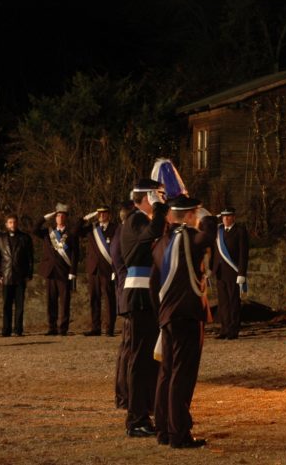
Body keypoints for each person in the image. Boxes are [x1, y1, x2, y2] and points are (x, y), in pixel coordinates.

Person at [149, 195, 217, 449]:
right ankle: (179, 433)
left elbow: (153, 284)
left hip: (167, 315)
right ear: (189, 215)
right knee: (182, 375)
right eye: (195, 213)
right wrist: (207, 217)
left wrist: (161, 313)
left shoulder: (160, 243)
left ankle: (164, 429)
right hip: (187, 315)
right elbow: (209, 236)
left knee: (166, 373)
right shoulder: (189, 240)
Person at [113, 179, 167, 435]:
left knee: (148, 359)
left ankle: (145, 412)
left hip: (147, 296)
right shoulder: (135, 220)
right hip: (139, 297)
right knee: (139, 360)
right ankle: (136, 420)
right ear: (146, 197)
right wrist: (159, 210)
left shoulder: (140, 220)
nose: (161, 200)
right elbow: (154, 232)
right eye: (157, 196)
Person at [35, 203, 80, 336]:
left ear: (66, 218)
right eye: (58, 215)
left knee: (64, 301)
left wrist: (73, 271)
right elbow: (34, 229)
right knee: (51, 301)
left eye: (62, 215)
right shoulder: (48, 232)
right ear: (55, 218)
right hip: (50, 271)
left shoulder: (71, 233)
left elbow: (75, 254)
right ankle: (52, 327)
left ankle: (63, 328)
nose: (60, 218)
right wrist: (45, 217)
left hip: (64, 272)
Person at [80, 204, 119, 336]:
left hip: (107, 268)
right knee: (94, 298)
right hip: (93, 269)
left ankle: (109, 328)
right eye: (99, 213)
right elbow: (75, 232)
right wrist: (85, 219)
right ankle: (95, 328)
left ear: (109, 214)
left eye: (104, 213)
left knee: (109, 299)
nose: (102, 215)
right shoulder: (92, 228)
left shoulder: (115, 228)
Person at [212, 207, 249, 340]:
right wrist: (211, 268)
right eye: (224, 217)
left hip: (233, 272)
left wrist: (241, 273)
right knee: (223, 302)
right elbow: (214, 252)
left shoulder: (239, 231)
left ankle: (233, 330)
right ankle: (224, 329)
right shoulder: (218, 231)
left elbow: (243, 254)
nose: (226, 219)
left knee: (233, 301)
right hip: (220, 272)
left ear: (234, 217)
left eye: (228, 216)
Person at [0, 213, 33, 337]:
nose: (13, 224)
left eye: (14, 222)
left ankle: (18, 330)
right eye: (10, 222)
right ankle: (6, 330)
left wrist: (29, 274)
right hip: (6, 276)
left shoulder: (25, 238)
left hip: (20, 276)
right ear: (6, 224)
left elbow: (30, 258)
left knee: (19, 306)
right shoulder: (0, 239)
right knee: (6, 305)